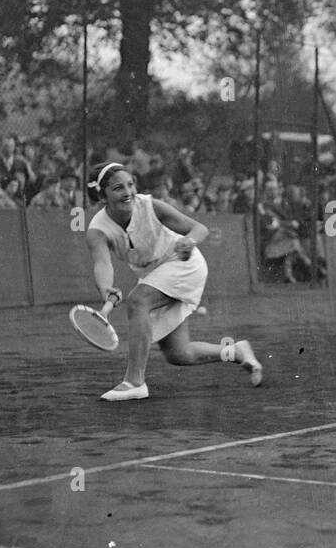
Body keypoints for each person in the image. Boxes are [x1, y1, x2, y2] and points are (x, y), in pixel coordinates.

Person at [85, 162, 262, 401]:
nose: (127, 192)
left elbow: (198, 229)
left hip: (184, 265)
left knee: (138, 301)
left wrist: (189, 241)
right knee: (179, 353)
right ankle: (237, 351)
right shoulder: (97, 229)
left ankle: (134, 382)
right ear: (102, 195)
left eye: (130, 184)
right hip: (154, 275)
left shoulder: (151, 206)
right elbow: (102, 263)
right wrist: (106, 288)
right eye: (118, 188)